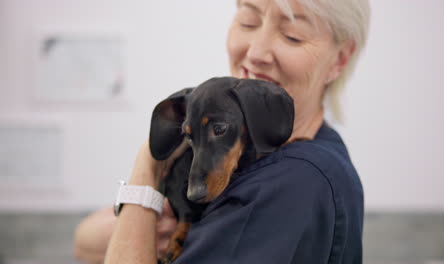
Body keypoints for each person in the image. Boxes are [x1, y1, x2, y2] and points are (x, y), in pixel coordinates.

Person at [74, 0, 370, 263]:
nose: (256, 53)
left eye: (293, 36)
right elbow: (85, 241)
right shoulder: (242, 151)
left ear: (340, 60)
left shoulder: (296, 179)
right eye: (248, 21)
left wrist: (146, 166)